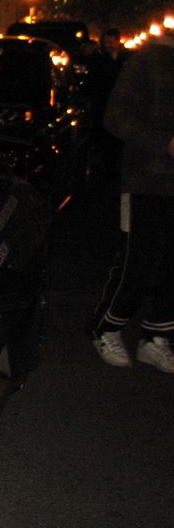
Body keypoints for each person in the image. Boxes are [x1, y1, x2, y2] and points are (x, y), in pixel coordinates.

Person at [90, 24, 174, 373]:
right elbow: (115, 117)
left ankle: (156, 336)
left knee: (170, 263)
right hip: (146, 180)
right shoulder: (147, 61)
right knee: (137, 261)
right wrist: (164, 142)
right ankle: (107, 328)